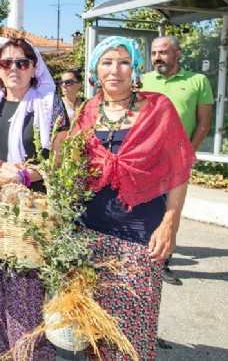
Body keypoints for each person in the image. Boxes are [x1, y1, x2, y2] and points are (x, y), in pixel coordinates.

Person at [75, 36, 195, 360]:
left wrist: (171, 222)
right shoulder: (86, 112)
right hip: (89, 236)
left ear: (136, 69)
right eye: (106, 62)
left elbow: (179, 169)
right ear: (95, 71)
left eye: (124, 62)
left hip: (141, 237)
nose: (115, 70)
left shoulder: (158, 109)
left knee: (133, 334)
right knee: (95, 331)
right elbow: (70, 169)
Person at [0, 38, 69, 360]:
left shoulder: (49, 104)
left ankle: (31, 356)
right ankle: (3, 354)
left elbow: (60, 161)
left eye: (22, 62)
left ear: (34, 68)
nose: (14, 68)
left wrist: (22, 176)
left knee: (25, 296)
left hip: (31, 212)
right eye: (6, 63)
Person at [142, 35, 214, 286]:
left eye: (162, 52)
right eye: (153, 53)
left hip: (176, 161)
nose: (157, 58)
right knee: (145, 207)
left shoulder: (198, 81)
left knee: (170, 211)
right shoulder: (143, 81)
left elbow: (204, 123)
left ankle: (163, 262)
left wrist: (188, 155)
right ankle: (143, 255)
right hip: (144, 159)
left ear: (178, 54)